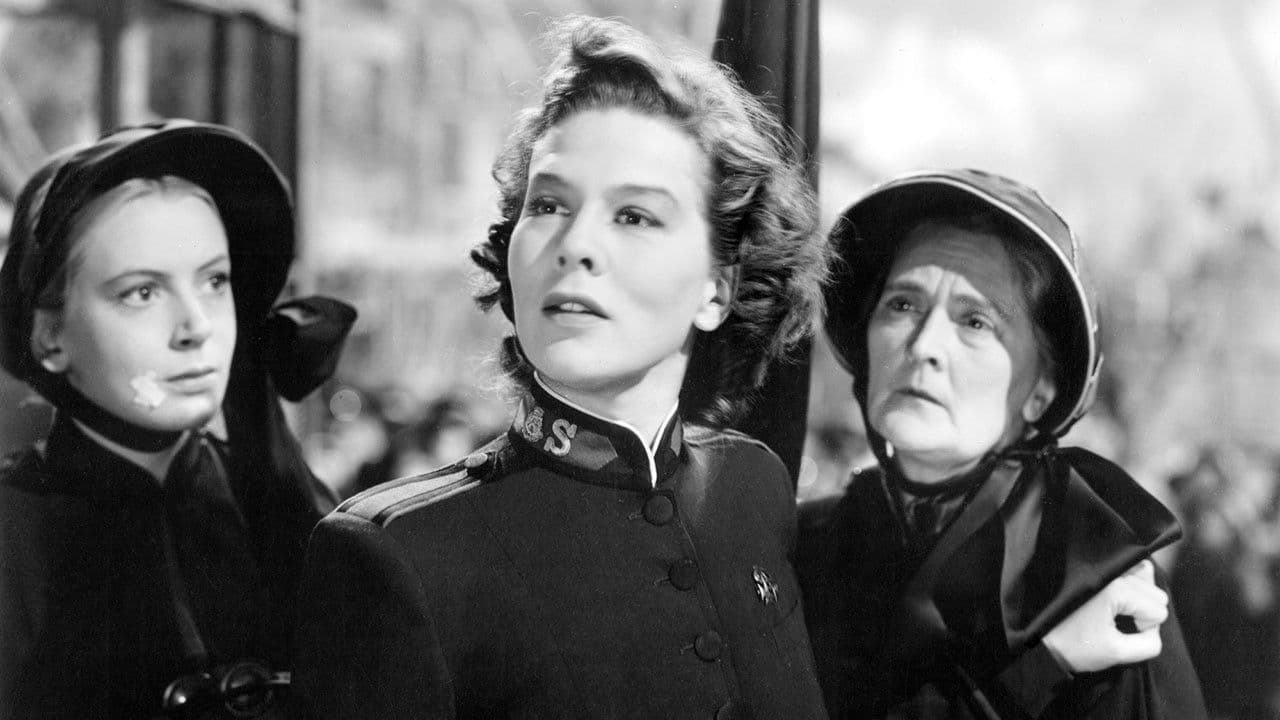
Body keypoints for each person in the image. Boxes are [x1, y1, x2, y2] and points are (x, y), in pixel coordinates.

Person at [291, 15, 831, 719]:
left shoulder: (752, 486)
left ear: (717, 289)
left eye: (634, 215)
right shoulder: (400, 555)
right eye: (548, 205)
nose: (575, 245)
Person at [795, 168, 1208, 719]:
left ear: (1040, 393)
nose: (924, 346)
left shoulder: (1096, 578)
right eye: (902, 304)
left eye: (975, 322)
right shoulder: (807, 545)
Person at [0, 120, 354, 719]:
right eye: (141, 292)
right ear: (50, 335)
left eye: (215, 281)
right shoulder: (15, 531)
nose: (197, 326)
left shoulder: (271, 496)